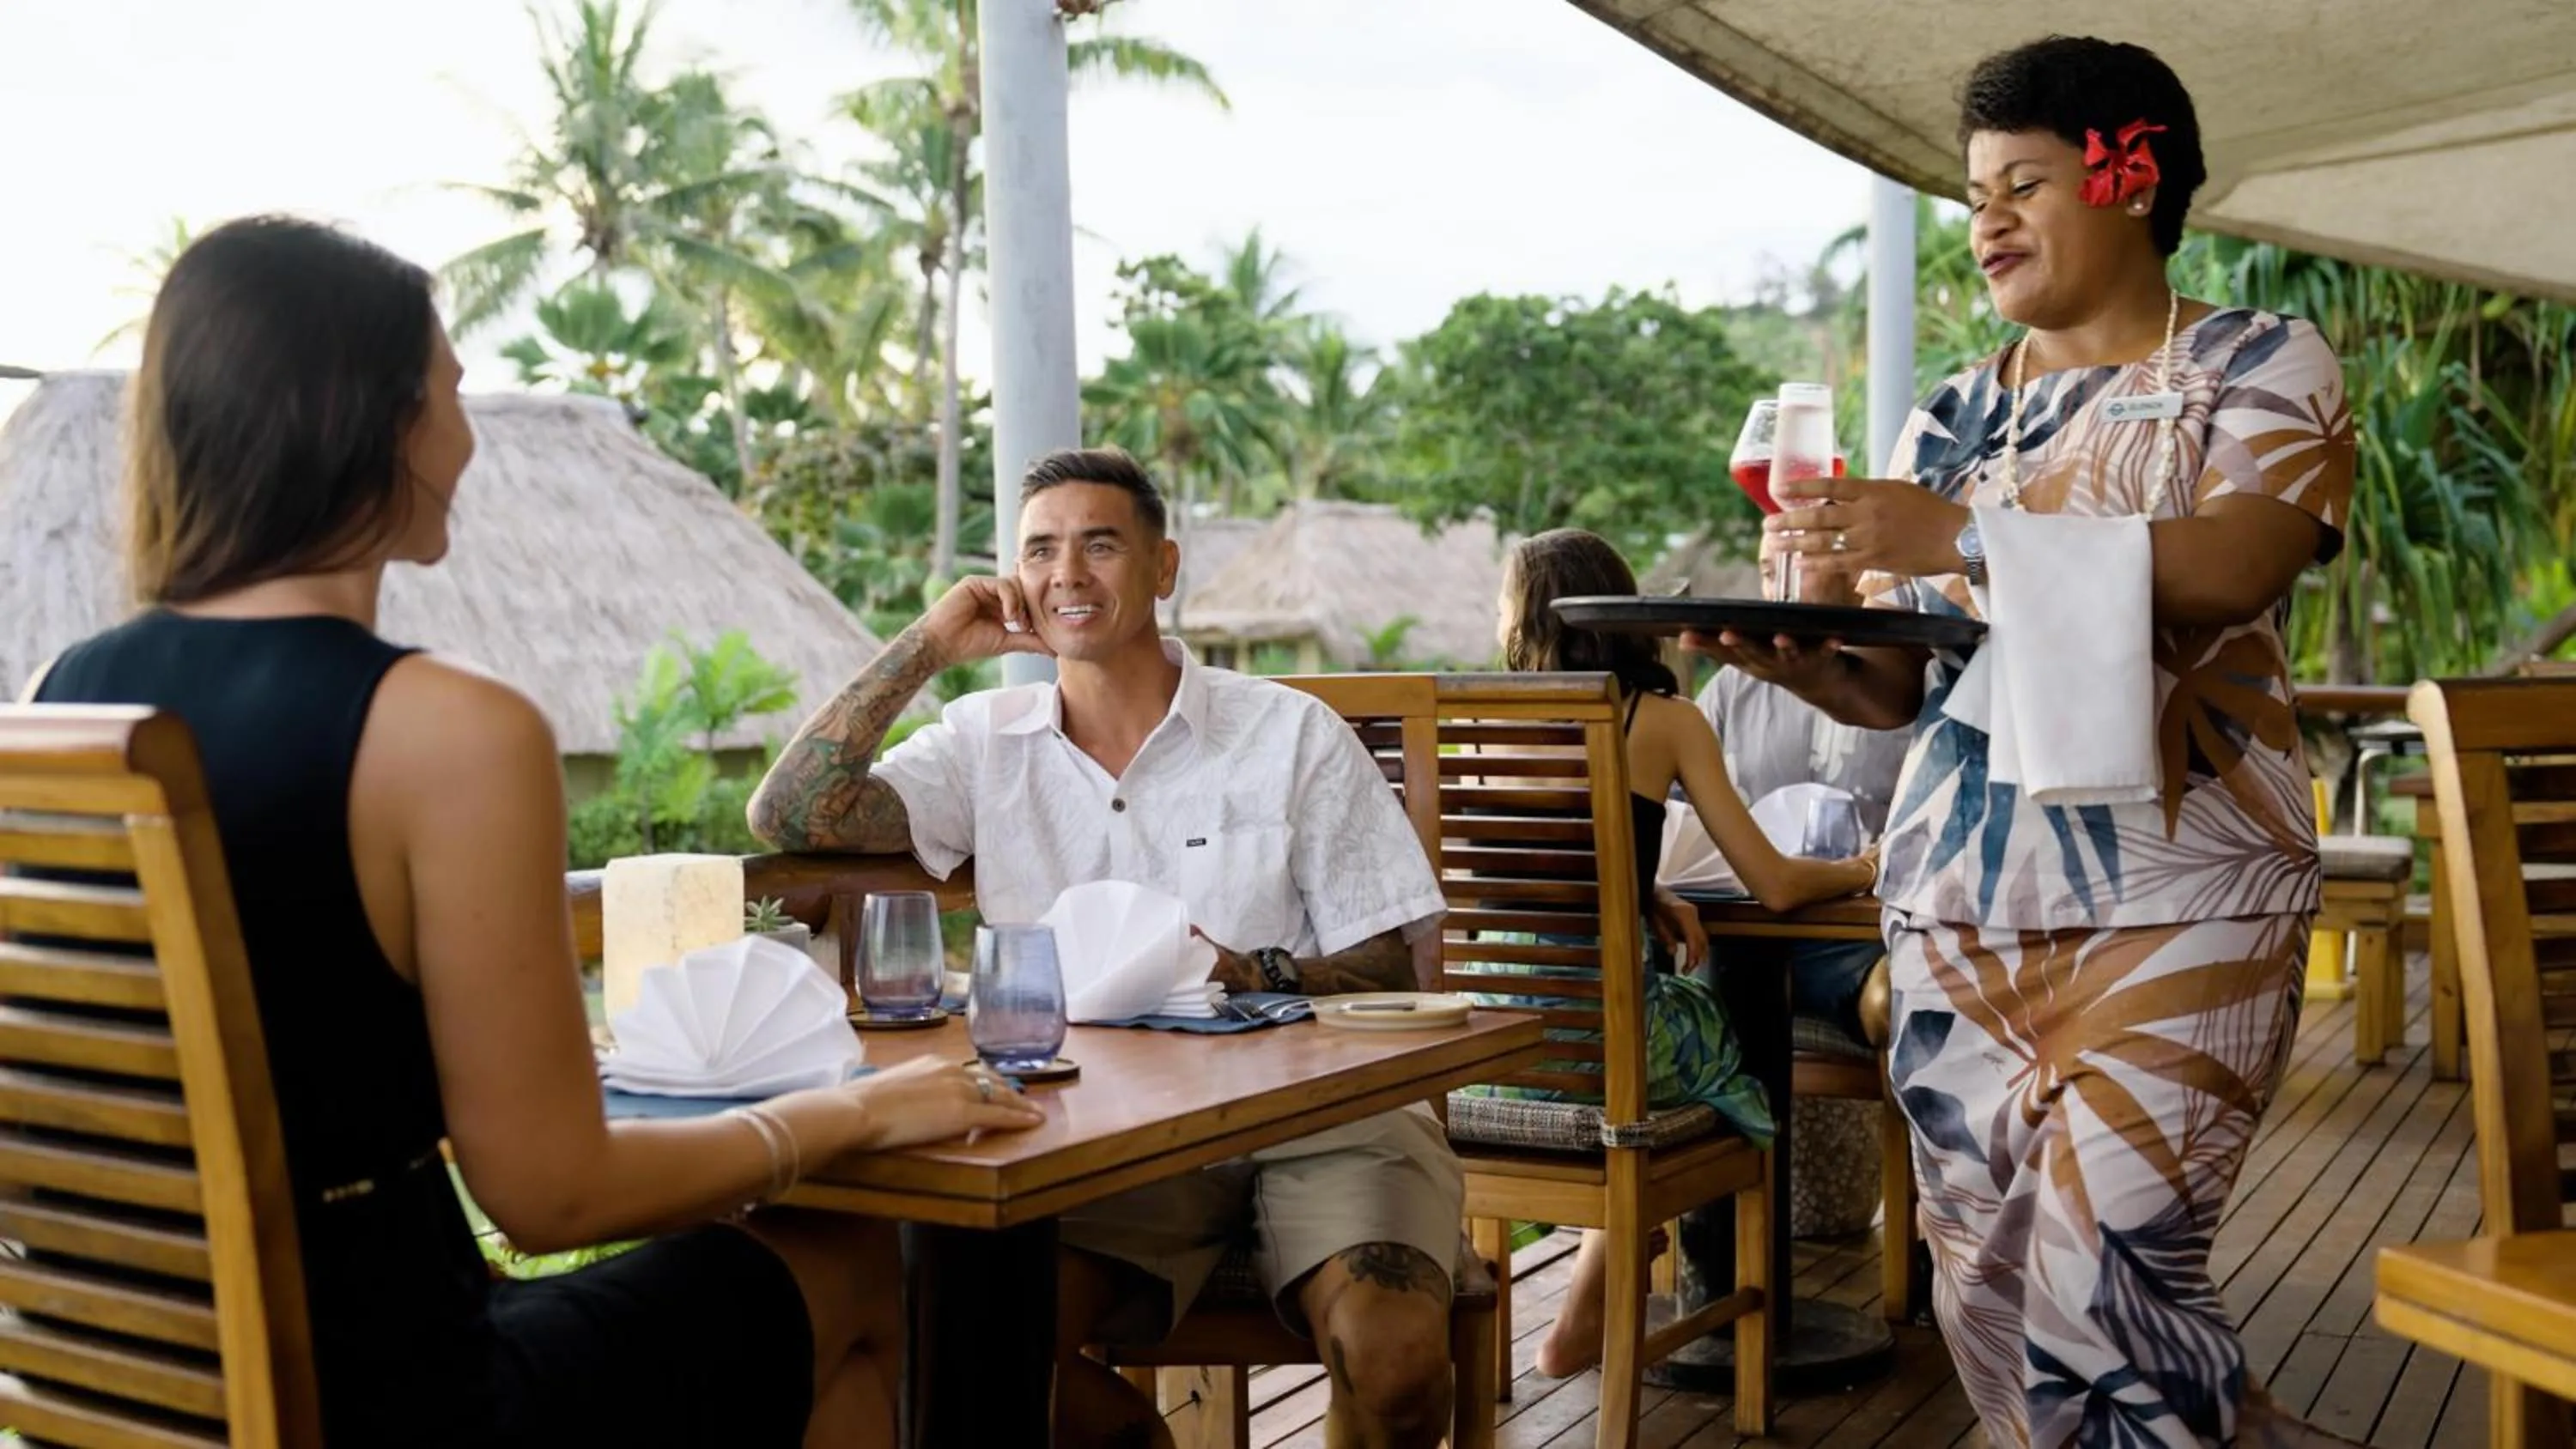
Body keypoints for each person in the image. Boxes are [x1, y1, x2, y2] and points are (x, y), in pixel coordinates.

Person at [23, 217, 1045, 1449]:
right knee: (843, 1264)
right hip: (398, 1400)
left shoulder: (65, 697)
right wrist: (857, 1115)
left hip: (136, 1386)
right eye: (453, 392)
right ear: (384, 420)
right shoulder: (447, 730)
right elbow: (553, 1190)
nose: (465, 437)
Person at [1691, 37, 2358, 1449]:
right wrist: (1802, 653)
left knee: (2105, 1293)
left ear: (2130, 178)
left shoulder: (2260, 360)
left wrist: (1960, 531)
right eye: (1974, 189)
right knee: (1995, 1303)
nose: (1984, 219)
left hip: (2182, 899)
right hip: (1959, 913)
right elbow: (1904, 686)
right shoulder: (1954, 409)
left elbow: (2236, 567)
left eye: (2023, 183)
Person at [746, 446, 1464, 1449]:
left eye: (1099, 544)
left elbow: (1395, 967)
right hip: (1099, 1132)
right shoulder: (981, 741)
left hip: (1324, 1115)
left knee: (1394, 1367)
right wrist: (928, 643)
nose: (1066, 573)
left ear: (1163, 566)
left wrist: (1239, 969)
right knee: (952, 1346)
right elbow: (788, 808)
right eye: (1040, 549)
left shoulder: (1287, 733)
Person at [1480, 528, 1876, 1379]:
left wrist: (1637, 889)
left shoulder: (1489, 723)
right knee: (1723, 1040)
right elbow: (1769, 882)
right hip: (1607, 1052)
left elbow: (1522, 881)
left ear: (1524, 623)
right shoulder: (1659, 719)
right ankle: (1658, 1285)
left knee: (1636, 1050)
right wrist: (1864, 866)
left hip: (1498, 1049)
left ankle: (1593, 1287)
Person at [1692, 664, 1910, 1046]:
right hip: (1739, 932)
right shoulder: (1730, 687)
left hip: (1862, 938)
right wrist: (1866, 868)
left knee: (1895, 1001)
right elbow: (1678, 824)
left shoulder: (1908, 689)